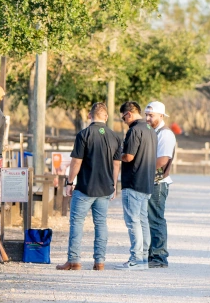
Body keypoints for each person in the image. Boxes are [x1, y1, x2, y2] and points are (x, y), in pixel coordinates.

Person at [56, 103, 122, 271]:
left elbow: (76, 161)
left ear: (89, 116)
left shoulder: (83, 134)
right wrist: (114, 185)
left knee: (77, 222)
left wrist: (69, 182)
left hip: (85, 187)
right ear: (106, 117)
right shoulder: (115, 137)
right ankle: (99, 262)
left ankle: (74, 261)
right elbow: (116, 165)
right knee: (100, 224)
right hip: (105, 188)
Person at [116, 101, 158, 271]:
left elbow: (129, 156)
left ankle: (135, 259)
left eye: (123, 117)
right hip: (147, 182)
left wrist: (115, 155)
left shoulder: (134, 130)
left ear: (129, 114)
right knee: (142, 221)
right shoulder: (151, 130)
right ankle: (143, 259)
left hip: (133, 181)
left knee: (133, 222)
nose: (124, 120)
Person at [144, 101, 176, 268]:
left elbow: (162, 160)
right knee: (149, 219)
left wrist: (141, 169)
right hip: (151, 181)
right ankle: (151, 255)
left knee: (156, 219)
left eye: (151, 115)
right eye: (146, 115)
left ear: (161, 116)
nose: (147, 118)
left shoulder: (165, 134)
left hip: (158, 182)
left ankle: (159, 257)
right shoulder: (153, 132)